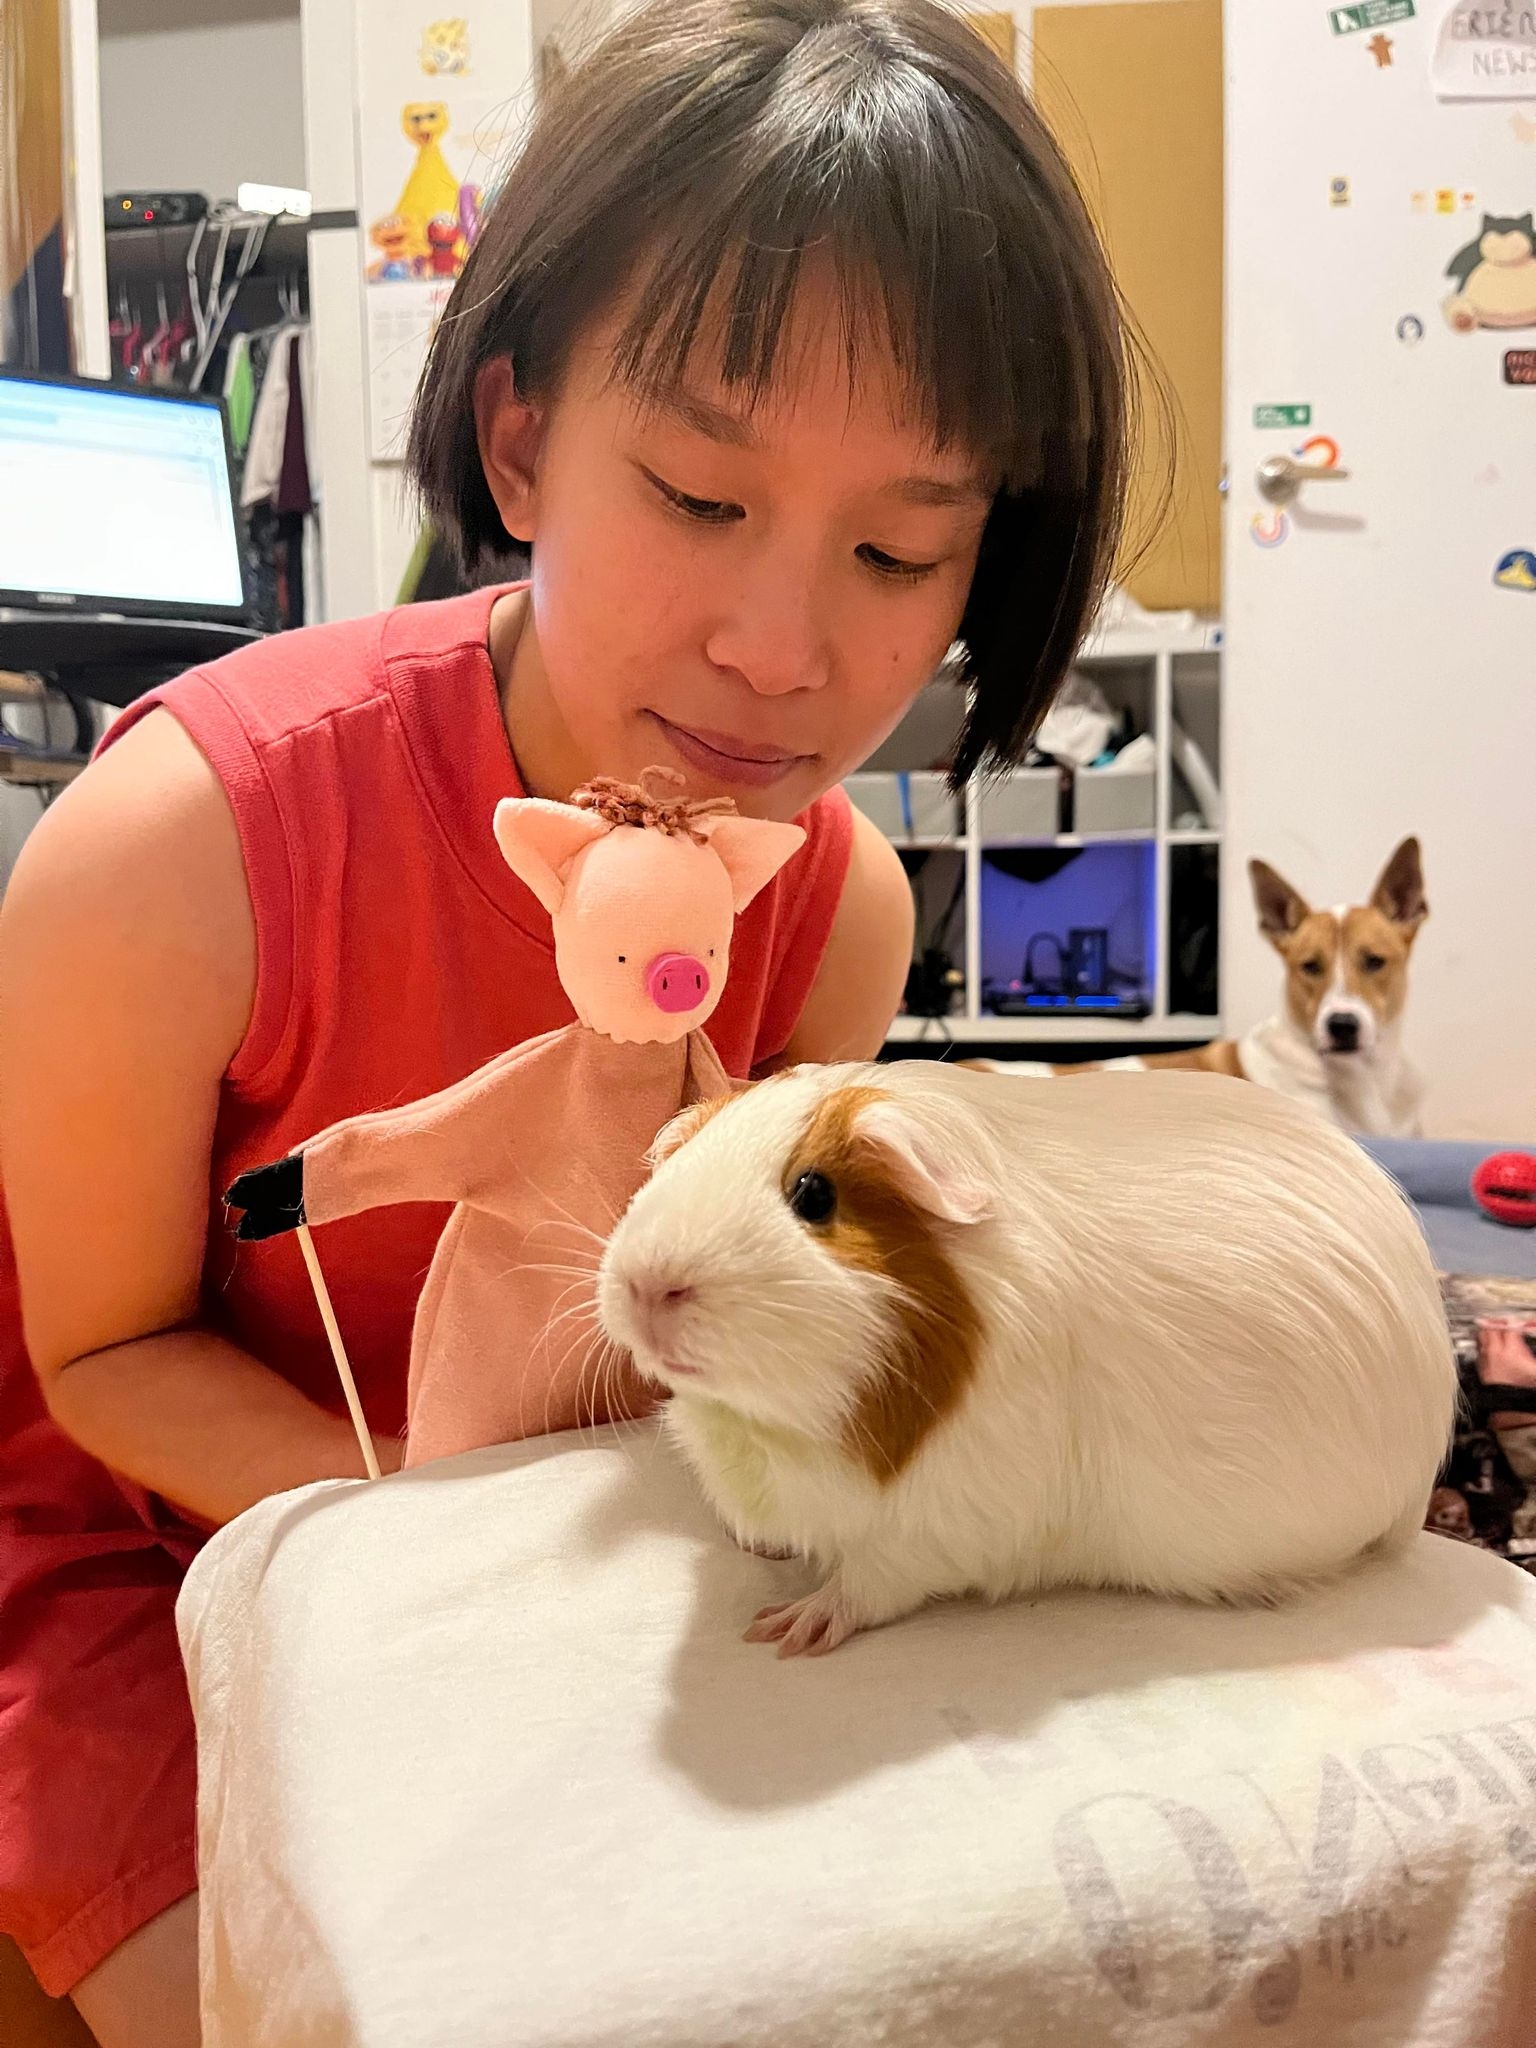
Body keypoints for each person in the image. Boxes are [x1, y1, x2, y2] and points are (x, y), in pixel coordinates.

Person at [0, 1, 1130, 2040]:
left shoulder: (835, 903)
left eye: (896, 552)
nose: (781, 651)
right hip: (138, 1566)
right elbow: (97, 1357)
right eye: (700, 496)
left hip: (560, 1541)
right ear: (521, 442)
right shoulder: (173, 842)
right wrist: (472, 1552)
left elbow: (743, 1323)